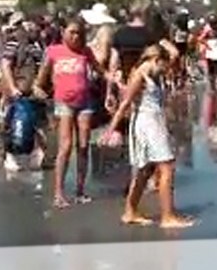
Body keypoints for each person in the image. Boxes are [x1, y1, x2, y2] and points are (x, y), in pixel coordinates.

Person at [106, 44, 193, 229]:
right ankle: (167, 216)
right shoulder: (140, 74)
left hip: (154, 122)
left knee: (145, 170)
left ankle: (130, 211)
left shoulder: (153, 74)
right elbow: (125, 104)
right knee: (167, 166)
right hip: (147, 124)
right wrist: (111, 129)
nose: (165, 69)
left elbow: (175, 57)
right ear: (156, 60)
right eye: (163, 65)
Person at [36, 18, 103, 207]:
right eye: (72, 32)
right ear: (64, 32)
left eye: (78, 33)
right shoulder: (53, 51)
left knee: (83, 146)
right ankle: (58, 193)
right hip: (63, 101)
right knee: (65, 147)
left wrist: (113, 80)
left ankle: (80, 191)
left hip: (85, 101)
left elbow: (99, 69)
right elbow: (41, 78)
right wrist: (38, 89)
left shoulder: (85, 51)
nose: (75, 36)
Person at [2, 78, 46, 172]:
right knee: (38, 134)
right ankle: (34, 162)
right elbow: (39, 127)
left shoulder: (13, 105)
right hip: (29, 147)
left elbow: (6, 125)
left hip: (14, 146)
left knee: (8, 134)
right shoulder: (34, 106)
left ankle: (11, 160)